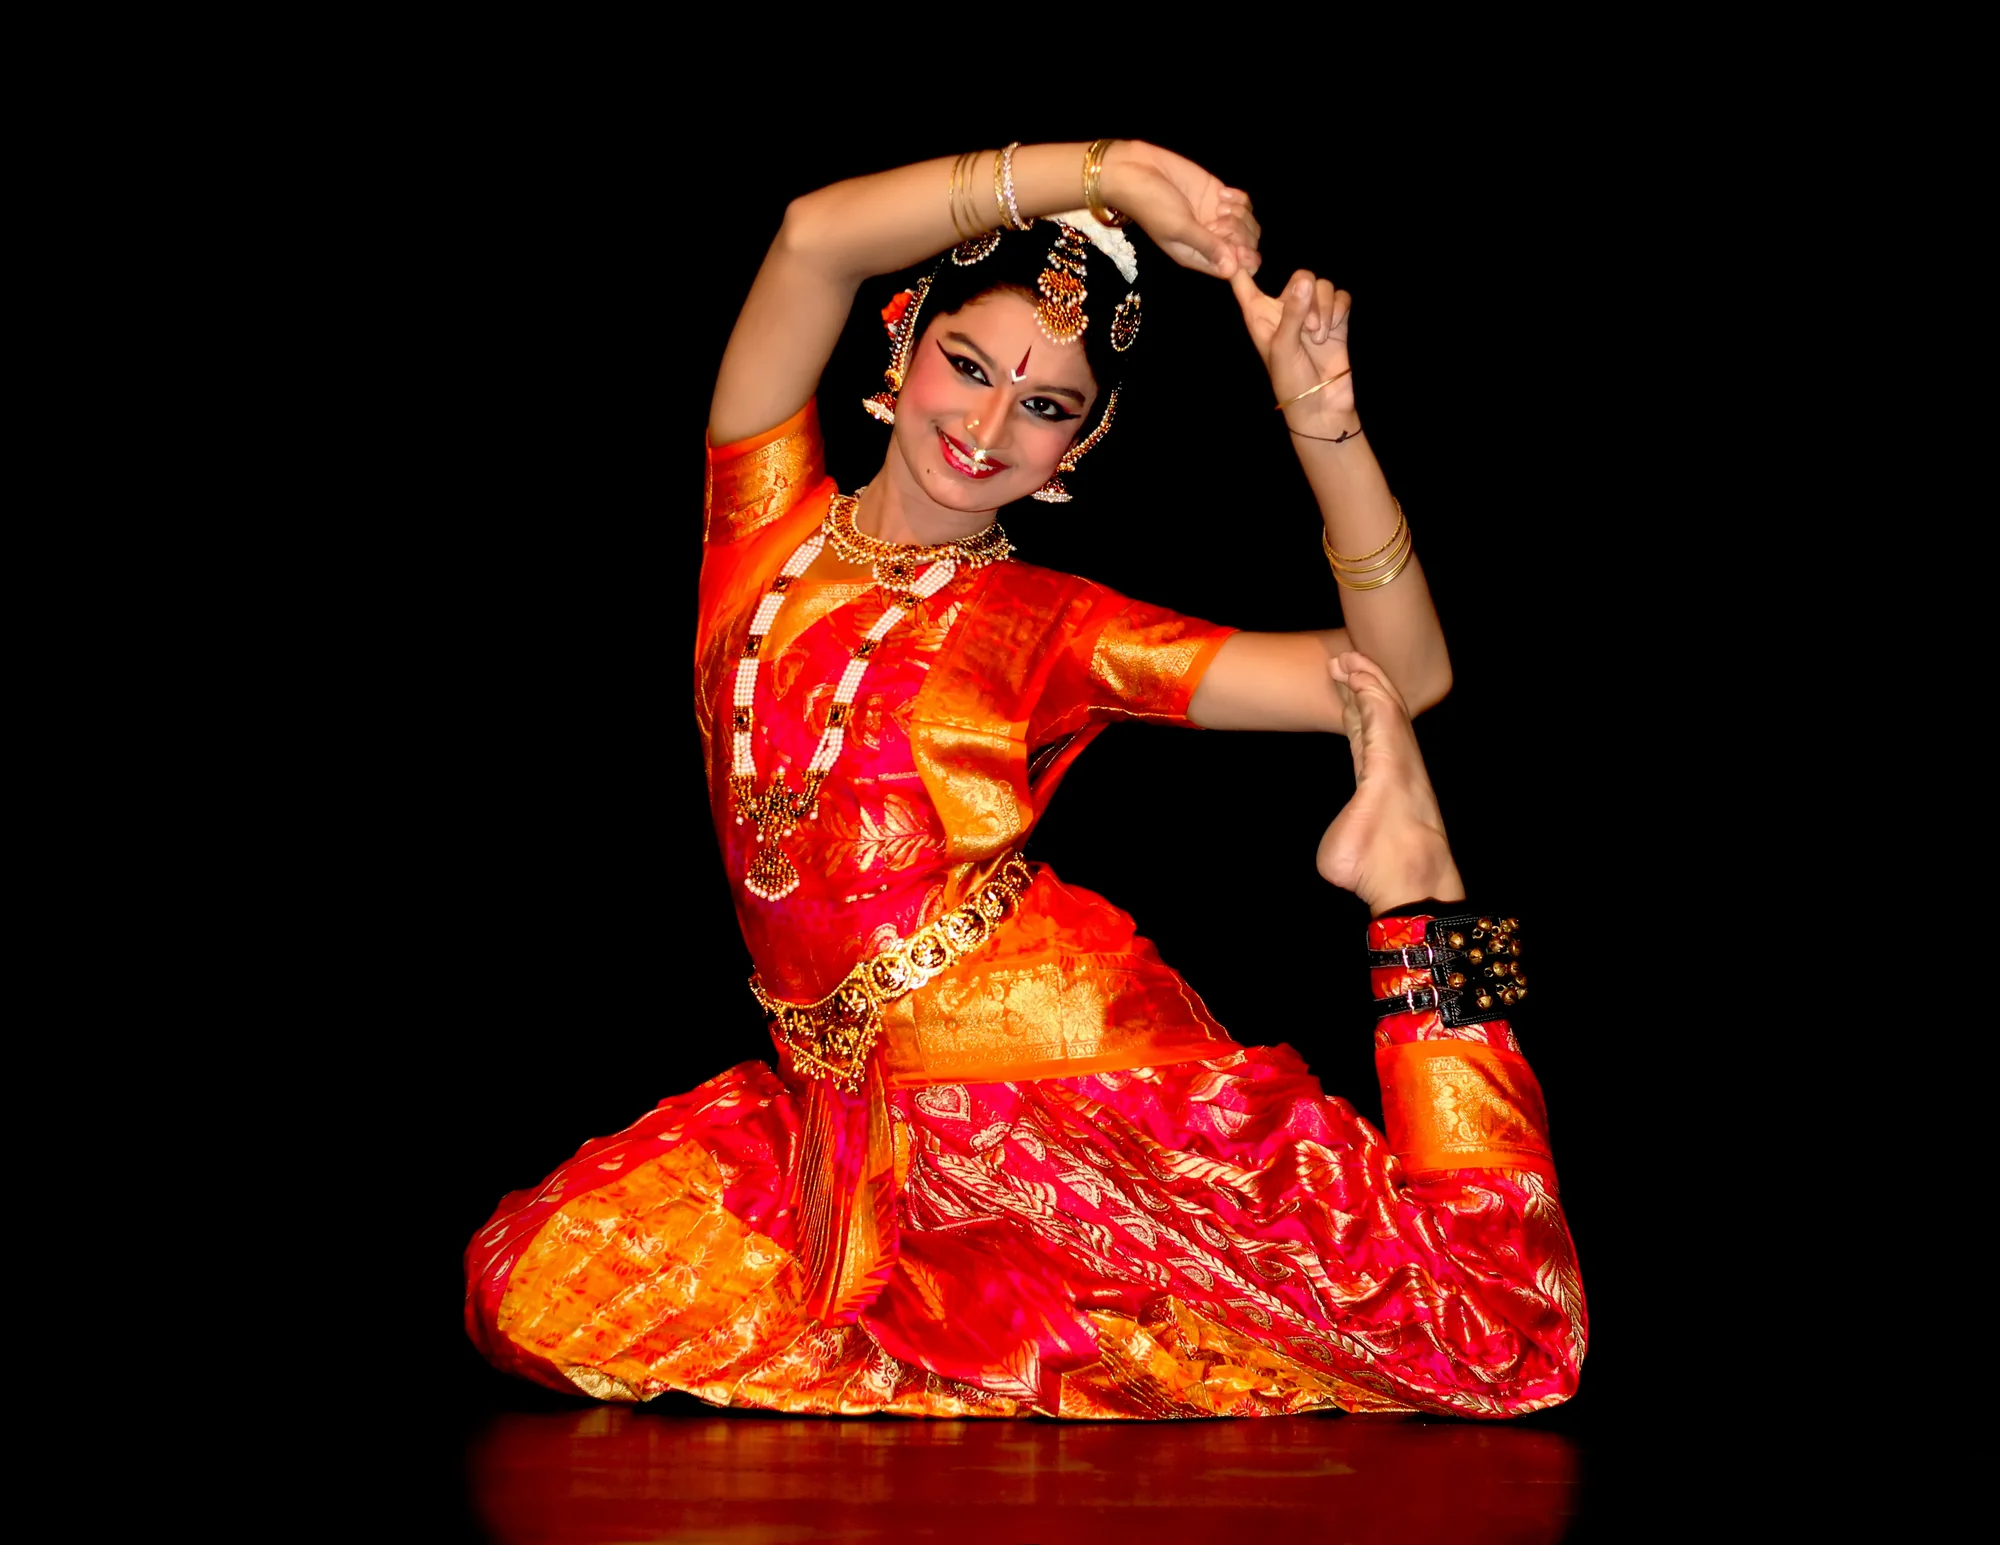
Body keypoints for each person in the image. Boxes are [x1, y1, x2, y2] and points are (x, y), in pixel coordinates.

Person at [464, 139, 1584, 1419]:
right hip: (844, 1122)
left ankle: (1428, 913)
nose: (988, 427)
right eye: (969, 365)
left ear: (1077, 447)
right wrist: (1100, 176)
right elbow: (811, 237)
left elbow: (1402, 672)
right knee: (534, 1289)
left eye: (1045, 406)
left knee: (1497, 1336)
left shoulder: (1048, 622)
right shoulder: (758, 522)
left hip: (1068, 1075)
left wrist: (1318, 420)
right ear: (900, 347)